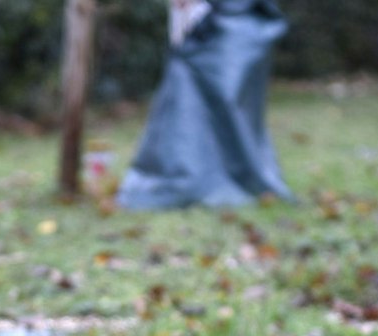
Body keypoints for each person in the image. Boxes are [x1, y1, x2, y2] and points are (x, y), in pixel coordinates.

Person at [117, 0, 293, 210]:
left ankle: (225, 177)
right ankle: (206, 176)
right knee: (197, 96)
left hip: (233, 19)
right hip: (220, 17)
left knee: (227, 100)